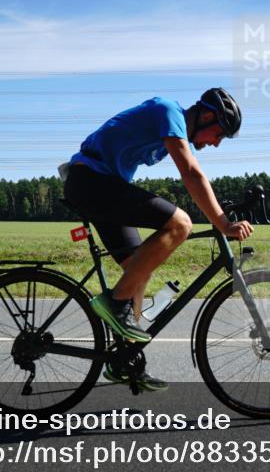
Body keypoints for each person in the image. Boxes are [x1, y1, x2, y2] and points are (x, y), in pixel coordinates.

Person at [63, 88, 253, 391]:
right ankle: (114, 303)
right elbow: (190, 172)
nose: (216, 143)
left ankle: (124, 360)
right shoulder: (168, 111)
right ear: (206, 116)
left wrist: (221, 212)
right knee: (180, 224)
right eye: (219, 133)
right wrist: (223, 222)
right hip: (91, 182)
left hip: (100, 184)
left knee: (138, 268)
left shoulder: (172, 124)